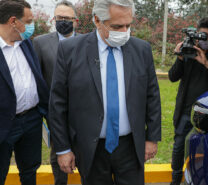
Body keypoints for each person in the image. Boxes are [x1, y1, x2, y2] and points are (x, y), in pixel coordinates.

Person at [49, 0, 161, 184]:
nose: (124, 32)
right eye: (117, 26)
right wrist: (63, 149)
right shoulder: (70, 50)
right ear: (97, 20)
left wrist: (152, 138)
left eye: (128, 25)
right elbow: (58, 104)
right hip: (90, 148)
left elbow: (152, 96)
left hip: (131, 147)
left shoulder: (142, 50)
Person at [168, 17, 208, 185]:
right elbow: (172, 76)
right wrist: (180, 58)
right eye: (204, 35)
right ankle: (175, 178)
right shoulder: (188, 51)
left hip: (207, 111)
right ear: (197, 33)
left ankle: (204, 177)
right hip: (186, 108)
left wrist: (207, 63)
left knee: (207, 147)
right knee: (179, 143)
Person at [0, 0, 49, 184]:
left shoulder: (25, 43)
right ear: (13, 21)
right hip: (4, 123)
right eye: (28, 21)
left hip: (31, 120)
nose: (31, 25)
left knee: (30, 171)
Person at [32, 1, 78, 184]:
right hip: (54, 109)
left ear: (75, 20)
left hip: (84, 108)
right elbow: (36, 78)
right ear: (54, 19)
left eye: (67, 18)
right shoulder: (40, 43)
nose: (63, 21)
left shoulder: (87, 41)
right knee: (59, 150)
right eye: (59, 18)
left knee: (88, 149)